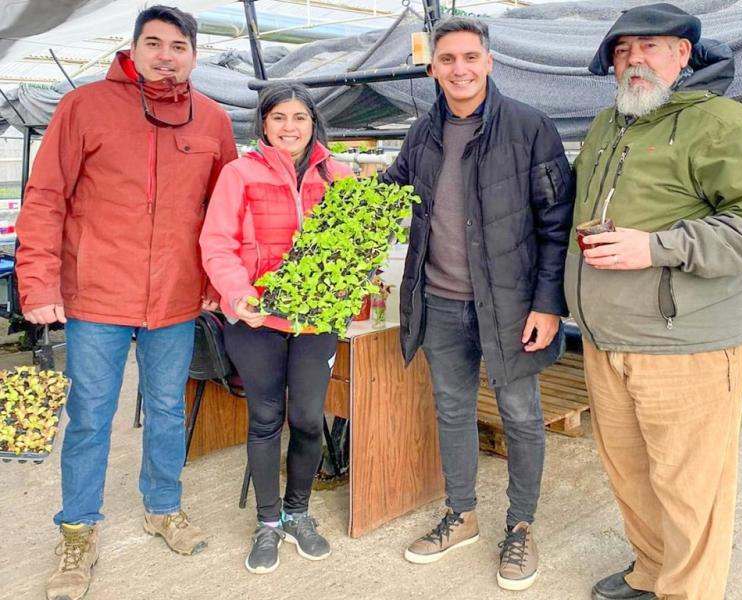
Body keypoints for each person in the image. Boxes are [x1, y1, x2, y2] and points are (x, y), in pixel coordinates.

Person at [565, 4, 742, 600]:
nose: (635, 58)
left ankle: (688, 592)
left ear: (684, 54)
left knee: (691, 488)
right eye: (622, 50)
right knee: (632, 476)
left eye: (651, 46)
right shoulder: (607, 124)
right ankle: (651, 572)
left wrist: (656, 246)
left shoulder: (720, 122)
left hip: (683, 342)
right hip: (607, 338)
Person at [14, 5, 237, 600]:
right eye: (154, 43)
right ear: (133, 48)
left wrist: (220, 281)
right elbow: (45, 197)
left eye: (179, 46)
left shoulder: (212, 120)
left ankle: (163, 507)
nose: (167, 55)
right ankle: (78, 529)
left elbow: (224, 212)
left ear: (194, 54)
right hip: (96, 297)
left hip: (175, 300)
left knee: (166, 409)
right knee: (90, 417)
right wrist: (37, 285)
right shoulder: (84, 107)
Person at [380, 17, 574, 591]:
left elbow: (556, 223)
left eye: (470, 57)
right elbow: (389, 192)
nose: (459, 69)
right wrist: (321, 178)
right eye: (447, 59)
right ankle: (461, 513)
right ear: (432, 66)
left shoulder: (529, 128)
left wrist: (547, 304)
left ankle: (520, 525)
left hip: (512, 305)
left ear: (489, 62)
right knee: (453, 410)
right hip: (440, 301)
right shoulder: (422, 133)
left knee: (520, 415)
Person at [199, 82, 352, 575]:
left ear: (313, 123)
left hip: (315, 321)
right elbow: (217, 242)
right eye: (279, 117)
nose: (290, 127)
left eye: (299, 117)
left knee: (308, 418)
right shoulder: (238, 174)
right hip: (255, 319)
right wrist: (238, 293)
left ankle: (298, 513)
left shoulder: (339, 175)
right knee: (266, 418)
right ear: (263, 123)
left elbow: (354, 244)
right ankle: (268, 524)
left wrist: (353, 281)